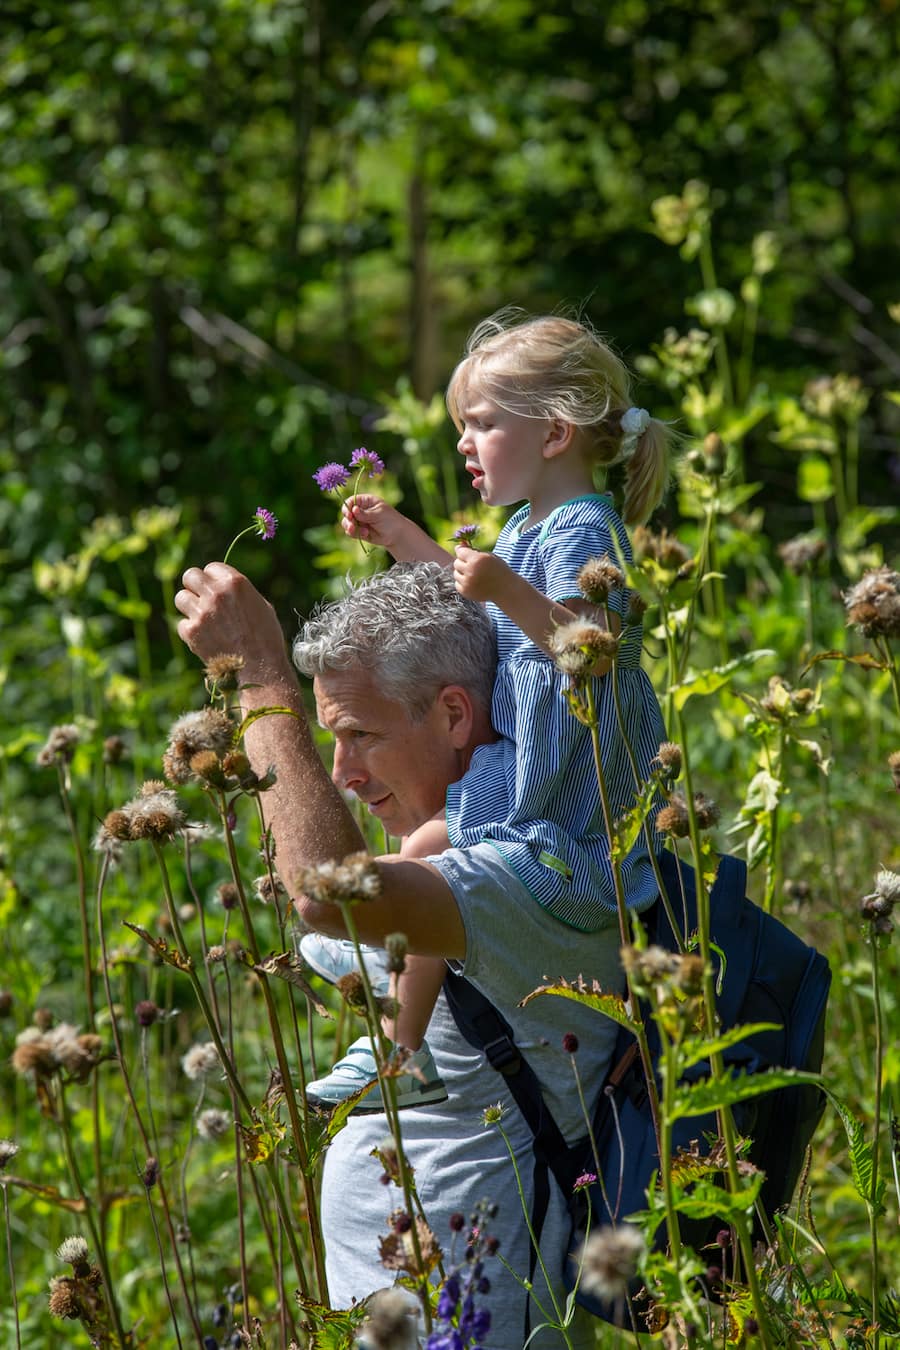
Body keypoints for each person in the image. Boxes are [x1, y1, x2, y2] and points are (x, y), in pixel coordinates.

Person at [174, 560, 653, 1349]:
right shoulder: (454, 856)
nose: (343, 773)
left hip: (474, 1315)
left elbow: (329, 895)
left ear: (456, 715)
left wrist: (262, 676)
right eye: (333, 740)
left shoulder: (523, 873)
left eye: (360, 734)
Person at [302, 311, 671, 1110]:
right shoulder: (528, 525)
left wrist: (503, 584)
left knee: (434, 858)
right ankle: (399, 1032)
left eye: (481, 424)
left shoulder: (585, 524)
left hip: (578, 799)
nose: (465, 444)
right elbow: (480, 613)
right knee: (430, 852)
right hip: (522, 766)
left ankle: (397, 1021)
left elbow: (596, 648)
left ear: (554, 434)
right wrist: (405, 538)